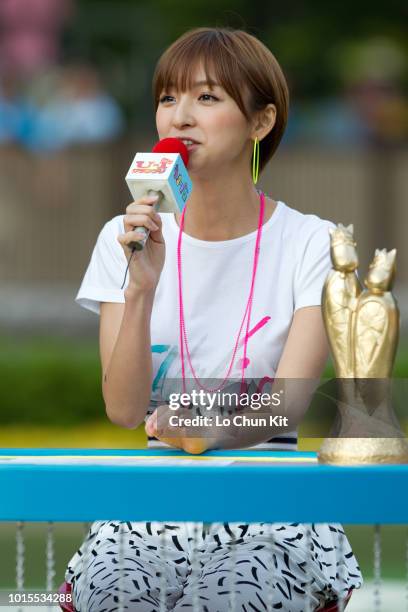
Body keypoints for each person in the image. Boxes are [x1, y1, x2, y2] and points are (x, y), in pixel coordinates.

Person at [65, 27, 363, 611]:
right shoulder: (122, 237)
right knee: (114, 591)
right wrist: (142, 287)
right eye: (167, 97)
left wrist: (200, 425)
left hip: (272, 494)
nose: (179, 117)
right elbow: (125, 410)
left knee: (229, 592)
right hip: (155, 495)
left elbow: (288, 403)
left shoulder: (312, 243)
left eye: (206, 98)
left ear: (260, 121)